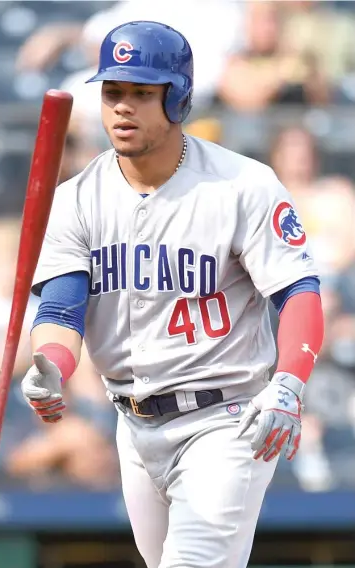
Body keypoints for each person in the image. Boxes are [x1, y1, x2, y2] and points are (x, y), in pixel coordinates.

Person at [20, 21, 324, 568]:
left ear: (178, 97)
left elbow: (298, 291)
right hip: (133, 426)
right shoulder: (76, 199)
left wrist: (290, 383)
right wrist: (51, 365)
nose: (122, 107)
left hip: (226, 419)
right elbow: (62, 308)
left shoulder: (241, 185)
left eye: (142, 92)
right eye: (113, 92)